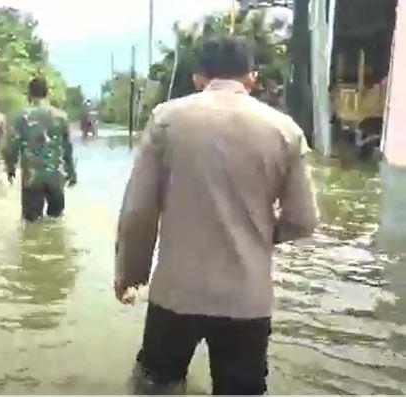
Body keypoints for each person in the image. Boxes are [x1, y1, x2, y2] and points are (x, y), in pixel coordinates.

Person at [115, 37, 319, 395]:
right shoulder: (285, 130)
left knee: (154, 386)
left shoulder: (167, 119)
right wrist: (257, 234)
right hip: (246, 299)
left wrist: (130, 273)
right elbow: (304, 219)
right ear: (252, 78)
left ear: (198, 77)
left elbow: (139, 210)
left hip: (177, 293)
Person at [5, 77, 77, 222]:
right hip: (55, 177)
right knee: (55, 222)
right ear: (47, 93)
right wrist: (71, 172)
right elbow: (67, 148)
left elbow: (13, 145)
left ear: (29, 94)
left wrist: (10, 168)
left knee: (31, 223)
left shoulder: (22, 117)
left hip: (32, 178)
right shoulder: (61, 117)